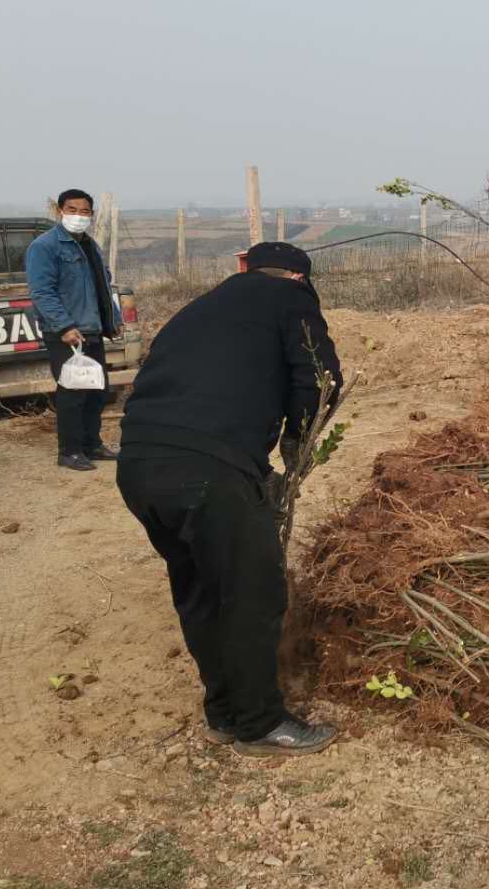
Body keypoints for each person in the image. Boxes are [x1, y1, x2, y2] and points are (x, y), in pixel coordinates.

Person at [116, 242, 343, 757]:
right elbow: (321, 380)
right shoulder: (292, 298)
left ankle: (223, 713)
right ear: (300, 278)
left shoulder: (198, 307)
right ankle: (260, 724)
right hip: (206, 471)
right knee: (251, 594)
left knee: (199, 589)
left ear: (244, 267)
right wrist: (297, 447)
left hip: (139, 465)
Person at [26, 188, 122, 471]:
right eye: (72, 210)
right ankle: (70, 451)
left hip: (91, 329)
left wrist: (112, 319)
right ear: (60, 211)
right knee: (73, 392)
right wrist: (64, 326)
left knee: (96, 390)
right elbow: (43, 291)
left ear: (91, 215)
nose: (78, 216)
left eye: (84, 212)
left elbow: (103, 286)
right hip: (67, 332)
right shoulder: (45, 247)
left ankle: (92, 445)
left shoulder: (90, 245)